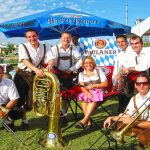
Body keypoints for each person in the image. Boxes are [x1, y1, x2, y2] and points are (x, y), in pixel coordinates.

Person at [14, 29, 55, 128]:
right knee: (18, 100)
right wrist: (36, 69)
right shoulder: (22, 46)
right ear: (26, 38)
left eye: (34, 36)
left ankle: (22, 115)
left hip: (34, 77)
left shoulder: (46, 46)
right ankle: (15, 121)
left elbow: (51, 59)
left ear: (38, 36)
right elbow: (25, 61)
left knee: (31, 103)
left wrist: (50, 65)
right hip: (21, 75)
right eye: (29, 37)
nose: (32, 38)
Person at [103, 73, 150, 148]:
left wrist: (133, 122)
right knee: (119, 126)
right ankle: (139, 137)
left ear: (149, 85)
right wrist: (111, 118)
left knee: (143, 136)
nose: (141, 86)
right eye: (138, 83)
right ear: (135, 85)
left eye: (145, 83)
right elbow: (127, 116)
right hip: (140, 123)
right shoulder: (135, 98)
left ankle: (141, 144)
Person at [51, 31, 81, 119]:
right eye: (64, 38)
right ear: (61, 38)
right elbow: (49, 60)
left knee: (65, 96)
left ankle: (63, 114)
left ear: (70, 39)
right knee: (54, 95)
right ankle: (54, 113)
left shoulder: (74, 49)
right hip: (56, 75)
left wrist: (71, 69)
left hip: (68, 76)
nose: (66, 40)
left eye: (68, 38)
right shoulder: (54, 48)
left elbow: (80, 60)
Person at [76, 56, 108, 129]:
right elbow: (82, 86)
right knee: (84, 101)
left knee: (93, 97)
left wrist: (94, 86)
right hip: (87, 91)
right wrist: (87, 93)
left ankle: (84, 120)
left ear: (93, 63)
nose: (88, 64)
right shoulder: (81, 74)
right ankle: (88, 121)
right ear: (83, 65)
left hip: (99, 91)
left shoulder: (98, 71)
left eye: (90, 62)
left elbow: (105, 84)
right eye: (86, 63)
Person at [112, 34, 135, 113]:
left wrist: (124, 71)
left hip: (132, 80)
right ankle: (121, 115)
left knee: (128, 100)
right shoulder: (119, 54)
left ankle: (125, 115)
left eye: (122, 41)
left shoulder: (132, 51)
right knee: (122, 99)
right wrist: (115, 80)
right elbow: (116, 69)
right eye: (118, 42)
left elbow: (134, 65)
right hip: (122, 81)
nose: (120, 44)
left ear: (126, 42)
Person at [0, 65, 24, 132]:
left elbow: (14, 99)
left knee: (17, 112)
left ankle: (7, 121)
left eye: (0, 73)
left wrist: (2, 112)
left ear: (2, 74)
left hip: (5, 106)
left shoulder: (9, 82)